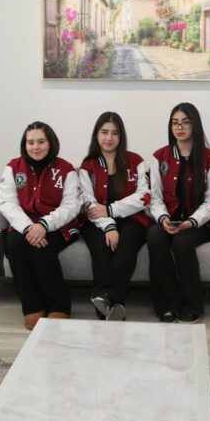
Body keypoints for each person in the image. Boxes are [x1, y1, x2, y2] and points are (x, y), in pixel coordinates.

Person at [0, 121, 81, 330]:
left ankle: (59, 306)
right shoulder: (13, 168)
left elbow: (71, 205)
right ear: (25, 144)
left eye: (41, 142)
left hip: (58, 225)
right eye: (31, 142)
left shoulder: (66, 169)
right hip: (24, 224)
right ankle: (32, 307)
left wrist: (44, 224)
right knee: (15, 245)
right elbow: (6, 202)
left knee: (41, 247)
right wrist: (28, 227)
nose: (36, 147)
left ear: (50, 142)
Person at [147, 103, 210, 323]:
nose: (179, 127)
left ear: (195, 125)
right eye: (175, 123)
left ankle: (191, 305)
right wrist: (163, 218)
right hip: (168, 220)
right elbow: (155, 197)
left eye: (185, 122)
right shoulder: (159, 157)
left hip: (200, 225)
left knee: (182, 242)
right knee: (154, 236)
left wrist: (192, 221)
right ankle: (167, 305)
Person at [78, 112, 152, 321]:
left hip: (132, 219)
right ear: (97, 135)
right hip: (96, 221)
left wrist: (110, 210)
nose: (109, 138)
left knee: (126, 245)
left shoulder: (135, 161)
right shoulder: (88, 164)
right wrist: (109, 225)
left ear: (121, 136)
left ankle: (107, 298)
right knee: (101, 247)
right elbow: (88, 201)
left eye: (114, 133)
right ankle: (114, 305)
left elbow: (144, 196)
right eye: (104, 132)